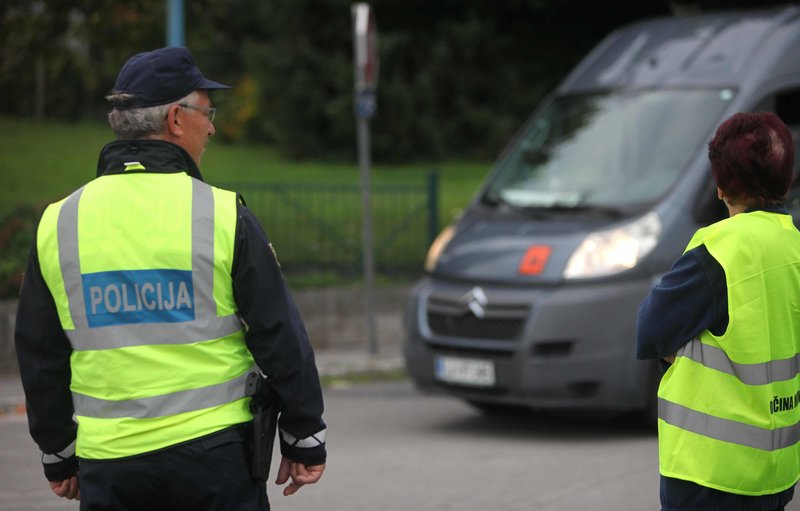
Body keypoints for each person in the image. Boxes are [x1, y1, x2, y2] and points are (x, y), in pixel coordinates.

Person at [14, 46, 326, 510]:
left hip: (111, 464)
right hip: (215, 459)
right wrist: (303, 435)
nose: (213, 126)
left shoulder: (60, 222)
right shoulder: (221, 214)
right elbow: (278, 334)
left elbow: (40, 351)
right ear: (177, 120)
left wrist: (59, 453)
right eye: (208, 111)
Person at [637, 111, 800, 511]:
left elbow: (650, 330)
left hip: (709, 475)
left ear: (721, 185)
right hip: (776, 470)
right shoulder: (794, 244)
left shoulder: (719, 249)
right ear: (786, 178)